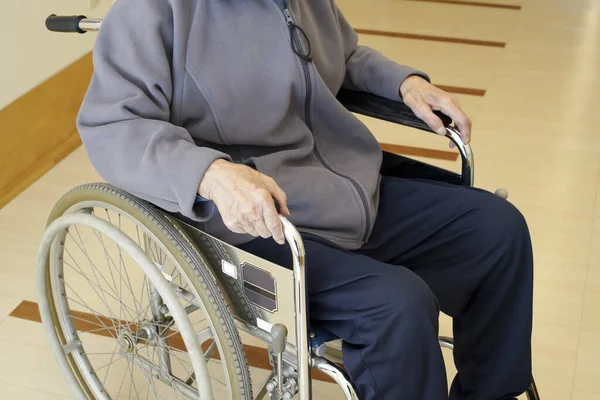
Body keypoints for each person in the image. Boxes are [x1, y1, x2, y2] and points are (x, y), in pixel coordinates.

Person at [76, 0, 534, 398]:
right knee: (397, 306)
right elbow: (114, 125)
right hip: (252, 220)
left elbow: (342, 56)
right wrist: (212, 174)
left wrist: (404, 84)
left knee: (499, 230)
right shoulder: (152, 12)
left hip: (341, 184)